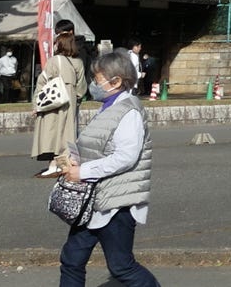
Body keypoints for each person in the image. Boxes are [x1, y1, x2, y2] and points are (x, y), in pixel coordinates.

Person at [55, 48, 159, 287]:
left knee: (122, 266)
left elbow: (126, 157)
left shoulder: (128, 112)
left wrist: (82, 172)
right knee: (71, 259)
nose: (94, 84)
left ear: (116, 81)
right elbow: (99, 148)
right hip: (93, 200)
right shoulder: (109, 108)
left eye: (97, 78)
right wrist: (73, 161)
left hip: (116, 204)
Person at [32, 20, 88, 177]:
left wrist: (36, 103)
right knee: (67, 134)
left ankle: (52, 165)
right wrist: (75, 98)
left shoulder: (54, 60)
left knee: (51, 133)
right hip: (70, 103)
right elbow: (82, 87)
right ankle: (64, 164)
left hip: (53, 102)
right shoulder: (78, 62)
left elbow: (42, 82)